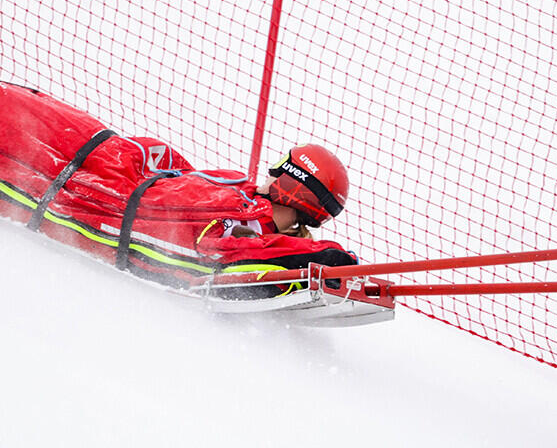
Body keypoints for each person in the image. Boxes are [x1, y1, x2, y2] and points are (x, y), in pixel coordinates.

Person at [0, 82, 356, 299]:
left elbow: (244, 256)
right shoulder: (245, 193)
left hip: (90, 181)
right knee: (21, 102)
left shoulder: (250, 227)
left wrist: (325, 260)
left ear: (294, 185)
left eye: (281, 168)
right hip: (110, 153)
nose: (269, 173)